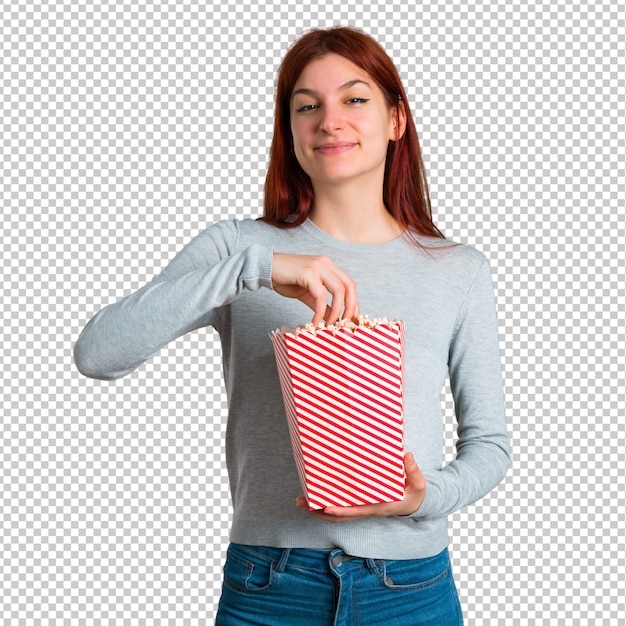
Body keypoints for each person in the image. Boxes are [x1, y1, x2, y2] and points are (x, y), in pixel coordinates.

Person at [74, 26, 510, 625]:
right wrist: (257, 268)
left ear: (396, 120)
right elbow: (98, 352)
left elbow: (490, 446)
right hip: (269, 587)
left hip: (409, 588)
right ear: (290, 131)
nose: (330, 120)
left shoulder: (458, 270)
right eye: (308, 106)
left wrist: (423, 497)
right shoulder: (239, 250)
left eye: (354, 99)